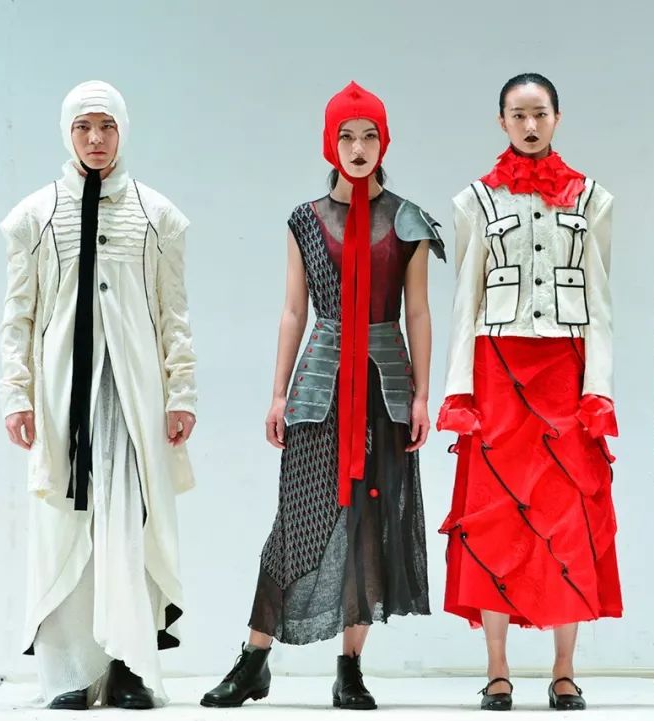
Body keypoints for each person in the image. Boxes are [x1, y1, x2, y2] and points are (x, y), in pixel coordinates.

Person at [201, 81, 443, 711]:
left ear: (384, 142)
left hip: (384, 387)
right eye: (346, 136)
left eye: (369, 136)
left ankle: (350, 668)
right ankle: (254, 659)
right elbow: (293, 311)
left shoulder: (408, 219)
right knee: (298, 521)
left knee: (370, 525)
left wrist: (423, 396)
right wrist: (277, 394)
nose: (358, 148)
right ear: (329, 144)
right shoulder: (305, 220)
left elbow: (418, 312)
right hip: (320, 387)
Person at [0, 80, 197, 710]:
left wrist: (181, 392)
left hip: (133, 398)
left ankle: (129, 666)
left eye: (106, 126)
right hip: (64, 395)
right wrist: (17, 395)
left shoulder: (157, 216)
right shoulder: (34, 217)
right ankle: (71, 673)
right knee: (66, 524)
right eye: (84, 127)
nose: (95, 139)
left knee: (128, 524)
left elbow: (173, 314)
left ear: (122, 131)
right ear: (68, 132)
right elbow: (18, 316)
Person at [437, 72, 621, 712]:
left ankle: (565, 669)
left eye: (540, 113)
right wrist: (459, 390)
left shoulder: (593, 199)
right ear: (502, 122)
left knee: (566, 518)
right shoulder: (474, 202)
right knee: (494, 520)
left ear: (557, 118)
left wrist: (599, 390)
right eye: (518, 114)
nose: (530, 125)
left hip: (566, 375)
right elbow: (465, 300)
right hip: (497, 376)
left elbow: (600, 300)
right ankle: (497, 669)